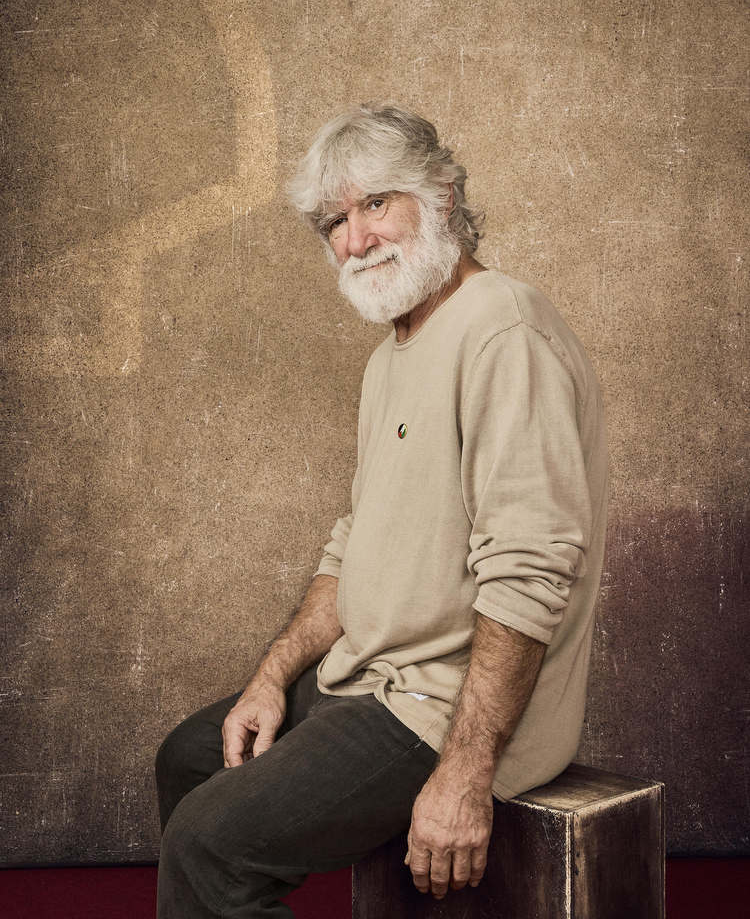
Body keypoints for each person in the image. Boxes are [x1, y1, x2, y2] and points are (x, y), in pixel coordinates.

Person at [155, 103, 608, 919]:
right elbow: (353, 546)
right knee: (189, 759)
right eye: (335, 221)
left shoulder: (503, 331)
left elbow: (530, 569)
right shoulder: (390, 356)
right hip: (371, 677)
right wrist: (270, 679)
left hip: (444, 703)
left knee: (208, 842)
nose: (357, 239)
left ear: (442, 196)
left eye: (375, 203)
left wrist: (465, 773)